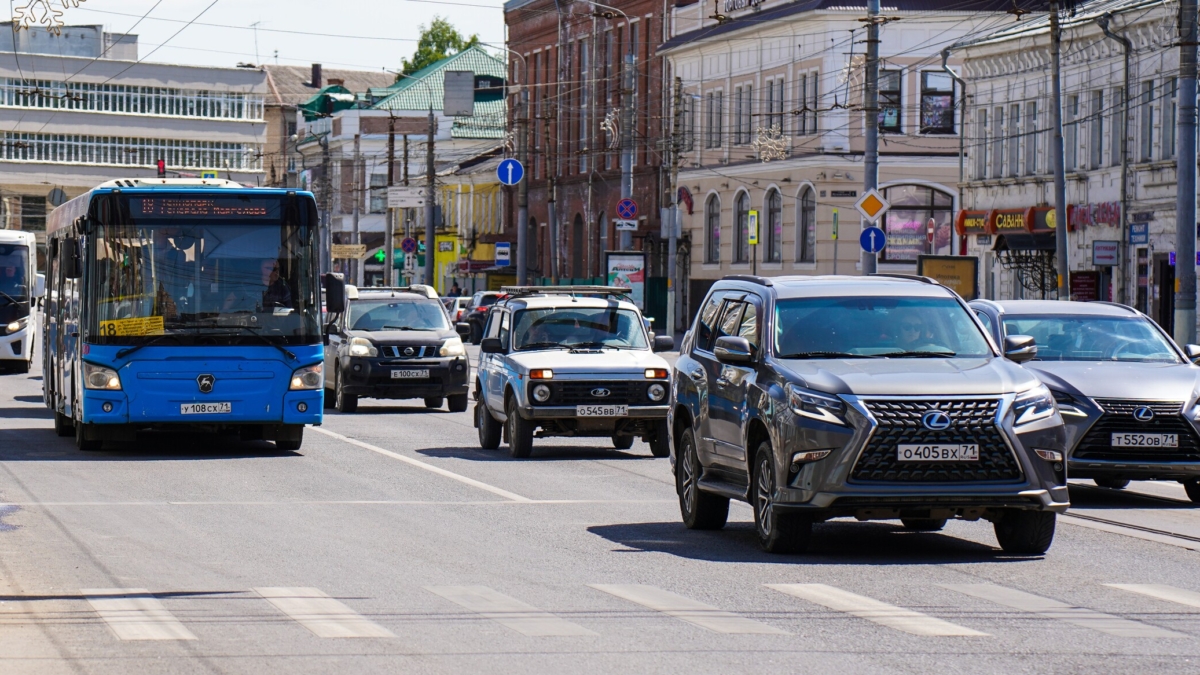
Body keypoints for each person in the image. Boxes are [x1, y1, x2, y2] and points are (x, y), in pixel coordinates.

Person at [223, 258, 292, 312]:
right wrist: (224, 312)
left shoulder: (283, 288)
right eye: (273, 269)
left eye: (278, 269)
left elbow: (289, 310)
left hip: (275, 324)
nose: (276, 272)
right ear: (262, 269)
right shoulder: (249, 284)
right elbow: (232, 297)